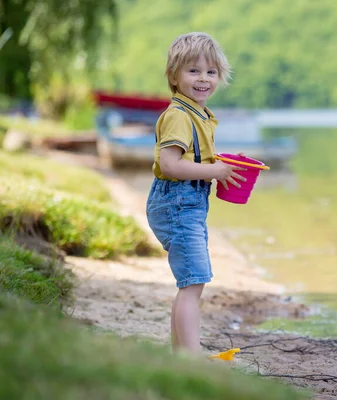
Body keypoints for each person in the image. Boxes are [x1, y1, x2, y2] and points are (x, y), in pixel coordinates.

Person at [146, 32, 245, 355]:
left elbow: (191, 158)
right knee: (193, 282)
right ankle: (190, 360)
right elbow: (170, 164)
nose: (203, 79)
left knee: (190, 281)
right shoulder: (178, 116)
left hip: (186, 202)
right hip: (177, 201)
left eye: (211, 72)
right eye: (193, 71)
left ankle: (180, 356)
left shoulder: (197, 114)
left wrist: (217, 164)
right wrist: (214, 171)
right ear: (174, 77)